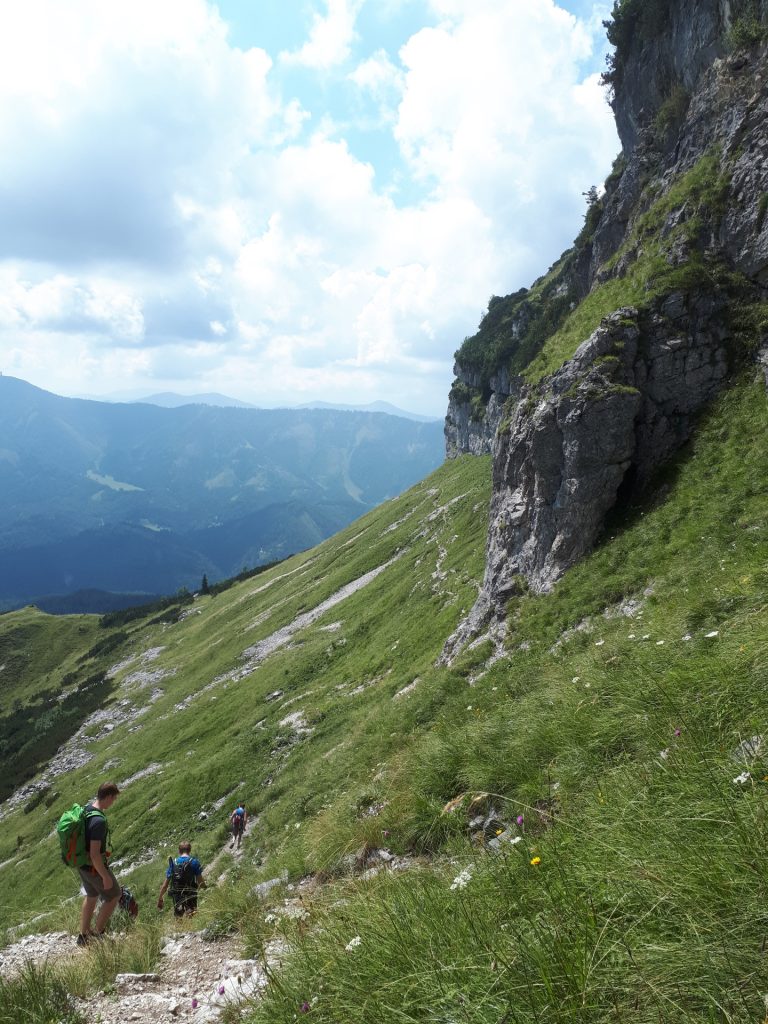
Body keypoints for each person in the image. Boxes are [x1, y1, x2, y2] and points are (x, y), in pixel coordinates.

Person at [77, 781, 122, 946]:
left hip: (81, 864)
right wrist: (105, 876)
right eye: (114, 798)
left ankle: (83, 936)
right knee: (114, 895)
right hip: (93, 867)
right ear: (108, 796)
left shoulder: (87, 809)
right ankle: (97, 934)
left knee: (91, 896)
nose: (114, 802)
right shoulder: (99, 822)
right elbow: (95, 854)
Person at [157, 841, 207, 916]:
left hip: (177, 895)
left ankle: (180, 926)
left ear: (179, 851)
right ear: (190, 850)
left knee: (179, 918)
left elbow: (165, 885)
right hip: (191, 893)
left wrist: (160, 898)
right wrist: (206, 888)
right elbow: (201, 883)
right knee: (192, 915)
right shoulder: (194, 862)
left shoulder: (173, 863)